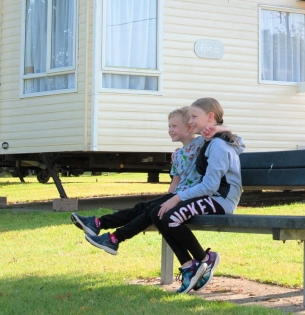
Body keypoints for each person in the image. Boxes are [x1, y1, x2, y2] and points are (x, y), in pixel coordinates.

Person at [72, 107, 241, 259]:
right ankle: (99, 224)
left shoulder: (201, 143)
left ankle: (114, 237)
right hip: (179, 194)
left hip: (192, 195)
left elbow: (234, 138)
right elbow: (175, 182)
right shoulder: (177, 155)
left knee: (151, 211)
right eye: (169, 126)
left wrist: (217, 128)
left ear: (190, 128)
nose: (170, 130)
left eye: (174, 126)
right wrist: (167, 198)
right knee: (142, 207)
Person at [151, 97, 242, 294]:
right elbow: (239, 142)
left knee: (171, 215)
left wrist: (177, 197)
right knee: (160, 213)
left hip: (221, 200)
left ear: (210, 117)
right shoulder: (210, 140)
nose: (190, 121)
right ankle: (189, 266)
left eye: (194, 116)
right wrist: (218, 129)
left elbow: (210, 186)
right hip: (211, 197)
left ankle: (204, 260)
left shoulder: (218, 145)